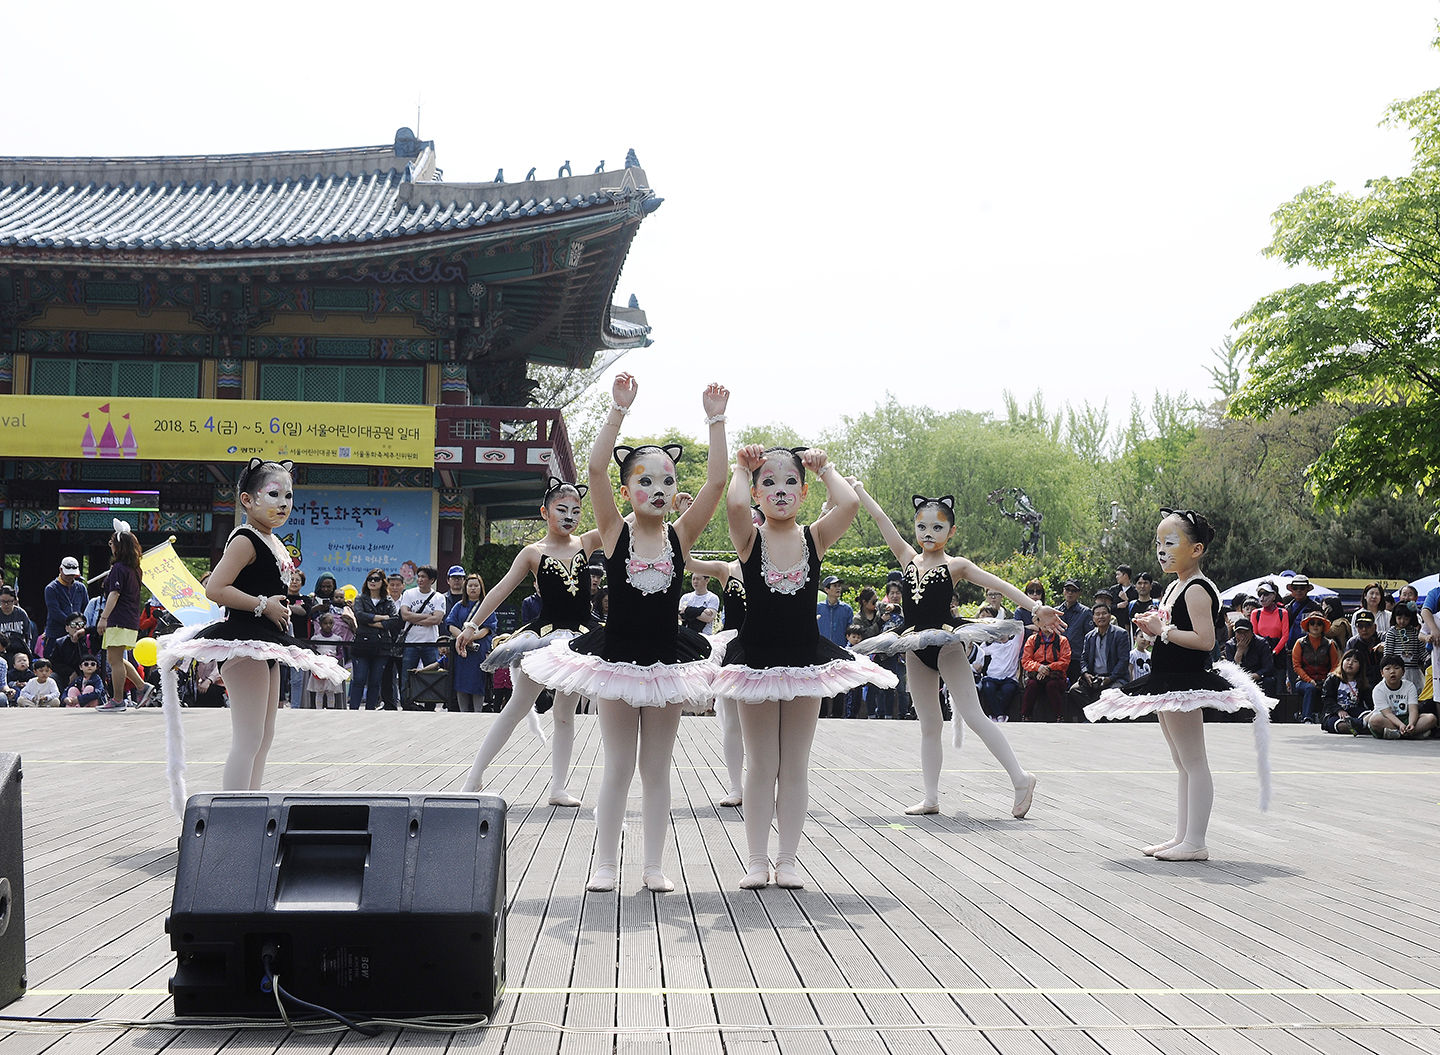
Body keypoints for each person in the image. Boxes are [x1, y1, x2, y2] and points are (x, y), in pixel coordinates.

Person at [522, 376, 730, 893]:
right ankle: (606, 865)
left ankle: (655, 865)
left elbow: (718, 483)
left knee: (656, 769)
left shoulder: (681, 538)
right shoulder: (613, 532)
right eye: (645, 480)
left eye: (666, 482)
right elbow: (594, 468)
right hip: (615, 659)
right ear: (626, 490)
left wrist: (716, 421)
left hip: (666, 664)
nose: (657, 491)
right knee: (617, 767)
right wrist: (617, 411)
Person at [705, 448, 889, 890]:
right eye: (768, 483)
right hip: (756, 661)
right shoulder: (749, 540)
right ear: (756, 494)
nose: (780, 491)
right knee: (762, 764)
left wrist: (825, 467)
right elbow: (732, 506)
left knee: (795, 764)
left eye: (790, 482)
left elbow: (847, 504)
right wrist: (741, 467)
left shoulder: (814, 538)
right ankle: (755, 861)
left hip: (806, 661)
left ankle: (786, 860)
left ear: (804, 492)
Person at [1085, 509, 1275, 862]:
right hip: (1168, 681)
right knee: (1182, 762)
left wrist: (1164, 630)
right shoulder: (1175, 585)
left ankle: (1196, 841)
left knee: (1194, 761)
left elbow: (1204, 640)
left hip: (1186, 683)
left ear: (1197, 549)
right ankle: (1182, 836)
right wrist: (1154, 628)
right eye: (1158, 543)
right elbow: (1173, 632)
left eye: (1170, 543)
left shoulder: (1198, 589)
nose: (1161, 550)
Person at [157, 459, 346, 808]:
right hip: (244, 642)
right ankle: (232, 816)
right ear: (247, 499)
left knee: (264, 736)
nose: (283, 503)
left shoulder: (270, 539)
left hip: (266, 643)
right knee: (248, 737)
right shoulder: (245, 539)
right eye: (273, 494)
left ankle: (251, 808)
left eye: (288, 495)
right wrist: (264, 605)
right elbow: (215, 588)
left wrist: (276, 607)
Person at [851, 488, 1045, 820]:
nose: (929, 533)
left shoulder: (956, 565)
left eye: (937, 528)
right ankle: (930, 797)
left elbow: (998, 584)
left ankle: (1021, 778)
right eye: (922, 527)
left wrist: (1036, 607)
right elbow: (881, 519)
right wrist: (857, 489)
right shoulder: (907, 558)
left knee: (973, 715)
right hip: (913, 645)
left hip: (947, 644)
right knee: (929, 724)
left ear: (951, 531)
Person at [455, 476, 603, 805]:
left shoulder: (588, 542)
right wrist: (471, 624)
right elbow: (500, 589)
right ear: (544, 512)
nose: (569, 516)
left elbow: (630, 519)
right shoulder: (533, 552)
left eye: (576, 510)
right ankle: (474, 778)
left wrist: (675, 508)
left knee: (566, 713)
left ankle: (558, 788)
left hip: (580, 641)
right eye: (561, 509)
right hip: (545, 640)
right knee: (516, 708)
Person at [687, 540, 754, 807]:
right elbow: (686, 559)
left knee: (767, 725)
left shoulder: (778, 568)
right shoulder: (726, 569)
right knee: (731, 721)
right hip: (733, 648)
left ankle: (765, 784)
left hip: (769, 647)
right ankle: (736, 786)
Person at [96, 522, 147, 711]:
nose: (110, 546)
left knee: (114, 660)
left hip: (118, 618)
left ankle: (117, 700)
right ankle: (142, 686)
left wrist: (103, 617)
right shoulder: (135, 569)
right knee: (117, 657)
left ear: (118, 546)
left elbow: (114, 594)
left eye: (111, 542)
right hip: (130, 619)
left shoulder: (118, 568)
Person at [1064, 599, 1131, 720]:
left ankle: (1099, 717)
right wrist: (1085, 674)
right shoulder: (1089, 636)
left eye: (1104, 613)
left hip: (1114, 677)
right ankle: (1097, 716)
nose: (1101, 616)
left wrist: (1109, 679)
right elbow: (1083, 659)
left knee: (1112, 693)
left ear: (1110, 616)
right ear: (1093, 618)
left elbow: (1123, 661)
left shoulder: (1120, 634)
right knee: (1074, 690)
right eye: (1097, 614)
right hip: (1095, 677)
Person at [447, 574, 496, 713]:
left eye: (476, 585)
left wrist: (470, 638)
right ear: (465, 588)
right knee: (460, 680)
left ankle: (478, 711)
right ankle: (463, 711)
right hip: (461, 650)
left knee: (478, 680)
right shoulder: (459, 606)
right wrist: (463, 638)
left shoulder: (486, 606)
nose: (473, 588)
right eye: (470, 585)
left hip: (478, 650)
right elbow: (450, 625)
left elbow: (487, 629)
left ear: (481, 587)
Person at [348, 571, 397, 710]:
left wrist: (373, 622)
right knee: (359, 679)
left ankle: (370, 710)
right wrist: (382, 617)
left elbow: (394, 619)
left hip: (382, 645)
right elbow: (360, 616)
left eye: (376, 579)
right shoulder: (360, 598)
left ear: (382, 582)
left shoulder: (388, 600)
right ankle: (354, 710)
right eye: (370, 579)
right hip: (363, 644)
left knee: (375, 681)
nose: (373, 582)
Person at [398, 566, 448, 699]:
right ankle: (406, 703)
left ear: (432, 580)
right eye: (418, 576)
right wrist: (428, 616)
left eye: (423, 577)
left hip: (430, 642)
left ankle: (430, 705)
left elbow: (437, 619)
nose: (419, 579)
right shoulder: (409, 594)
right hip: (411, 642)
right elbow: (404, 615)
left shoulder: (439, 597)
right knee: (406, 677)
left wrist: (413, 617)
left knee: (432, 676)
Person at [973, 603, 1023, 721]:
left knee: (1008, 690)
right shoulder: (993, 646)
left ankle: (999, 715)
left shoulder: (1014, 645)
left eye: (1003, 632)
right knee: (988, 688)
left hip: (1008, 678)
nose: (1001, 636)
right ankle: (999, 715)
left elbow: (1021, 629)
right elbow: (980, 649)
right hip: (992, 677)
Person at [815, 575, 853, 718]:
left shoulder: (846, 609)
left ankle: (837, 714)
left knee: (839, 683)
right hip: (820, 651)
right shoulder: (818, 608)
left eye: (839, 585)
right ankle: (822, 713)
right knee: (821, 682)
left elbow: (850, 631)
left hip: (839, 651)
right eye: (834, 586)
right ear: (826, 589)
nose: (838, 588)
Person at [1291, 612, 1339, 724]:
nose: (1315, 626)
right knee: (1310, 688)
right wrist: (1309, 680)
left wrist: (1327, 680)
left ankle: (1329, 717)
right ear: (1308, 626)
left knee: (1330, 689)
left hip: (1325, 680)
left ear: (1323, 627)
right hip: (1303, 682)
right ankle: (1306, 718)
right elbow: (1297, 666)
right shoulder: (1300, 643)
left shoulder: (1330, 644)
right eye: (1312, 623)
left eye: (1319, 623)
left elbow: (1335, 666)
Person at [1020, 619, 1069, 721]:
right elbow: (1026, 660)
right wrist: (1038, 667)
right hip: (1037, 674)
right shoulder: (1032, 639)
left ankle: (1059, 717)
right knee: (1031, 685)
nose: (1046, 624)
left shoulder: (1062, 640)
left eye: (1049, 621)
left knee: (1052, 685)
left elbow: (1065, 662)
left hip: (1056, 675)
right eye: (1042, 621)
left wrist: (1049, 667)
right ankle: (1025, 716)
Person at [1367, 655, 1427, 739]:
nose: (1392, 671)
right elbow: (1387, 713)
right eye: (1388, 669)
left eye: (1396, 668)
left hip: (1406, 718)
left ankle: (1400, 733)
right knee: (1374, 720)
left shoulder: (1409, 686)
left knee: (1431, 718)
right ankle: (1409, 733)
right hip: (1388, 719)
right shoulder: (1378, 689)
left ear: (1403, 672)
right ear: (1382, 673)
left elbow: (1413, 710)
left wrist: (1412, 723)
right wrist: (1400, 725)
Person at [43, 557, 90, 659]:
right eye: (68, 574)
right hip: (56, 632)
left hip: (78, 633)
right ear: (61, 570)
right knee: (54, 662)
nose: (70, 577)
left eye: (73, 575)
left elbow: (86, 609)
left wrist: (80, 627)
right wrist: (73, 625)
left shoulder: (81, 587)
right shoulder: (51, 588)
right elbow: (55, 612)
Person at [1383, 601, 1427, 698]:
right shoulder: (1392, 632)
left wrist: (1428, 659)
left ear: (1411, 618)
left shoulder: (1416, 632)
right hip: (1397, 670)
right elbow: (1388, 653)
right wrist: (1388, 667)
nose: (1402, 621)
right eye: (1399, 618)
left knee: (1415, 694)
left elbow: (1421, 651)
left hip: (1414, 671)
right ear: (1395, 617)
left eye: (1406, 618)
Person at [1223, 617, 1275, 697]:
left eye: (1246, 632)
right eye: (1239, 632)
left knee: (1269, 681)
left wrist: (1253, 676)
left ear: (1251, 632)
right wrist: (1239, 653)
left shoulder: (1261, 643)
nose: (1243, 636)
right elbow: (1230, 671)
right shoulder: (1230, 645)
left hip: (1256, 677)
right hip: (1238, 679)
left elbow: (1268, 668)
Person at [306, 612, 347, 708]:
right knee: (319, 691)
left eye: (330, 623)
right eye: (325, 623)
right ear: (320, 624)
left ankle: (330, 710)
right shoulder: (316, 638)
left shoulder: (337, 639)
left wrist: (333, 659)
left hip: (331, 668)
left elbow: (341, 654)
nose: (328, 626)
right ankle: (318, 710)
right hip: (320, 668)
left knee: (330, 692)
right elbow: (312, 653)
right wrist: (319, 659)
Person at [1057, 580, 1093, 685]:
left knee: (1074, 689)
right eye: (1067, 589)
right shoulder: (1056, 611)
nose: (1070, 593)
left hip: (1076, 658)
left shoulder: (1085, 612)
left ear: (1079, 593)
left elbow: (1090, 638)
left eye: (1074, 590)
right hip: (1057, 659)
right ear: (1063, 591)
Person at [1321, 650, 1366, 735]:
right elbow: (1327, 699)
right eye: (1348, 660)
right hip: (1334, 712)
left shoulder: (1362, 683)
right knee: (1341, 726)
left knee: (1368, 716)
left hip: (1355, 710)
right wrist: (1339, 710)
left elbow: (1368, 701)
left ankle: (1359, 725)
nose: (1350, 663)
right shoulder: (1332, 679)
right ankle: (1362, 728)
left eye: (1355, 661)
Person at [1347, 610, 1385, 705]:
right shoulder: (1352, 643)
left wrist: (1387, 647)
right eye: (1360, 626)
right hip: (1362, 678)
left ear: (1375, 626)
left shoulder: (1383, 638)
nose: (1364, 629)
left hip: (1384, 677)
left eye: (1368, 626)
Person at [1250, 581, 1290, 662]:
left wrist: (1275, 651)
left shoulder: (1282, 612)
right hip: (1261, 653)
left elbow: (1285, 636)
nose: (1262, 598)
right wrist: (1263, 652)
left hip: (1278, 654)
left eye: (1266, 594)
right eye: (1260, 594)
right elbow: (1254, 634)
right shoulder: (1255, 613)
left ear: (1274, 595)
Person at [0, 589, 34, 657]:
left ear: (15, 600)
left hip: (19, 652)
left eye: (9, 601)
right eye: (3, 601)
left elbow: (28, 635)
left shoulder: (21, 613)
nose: (6, 605)